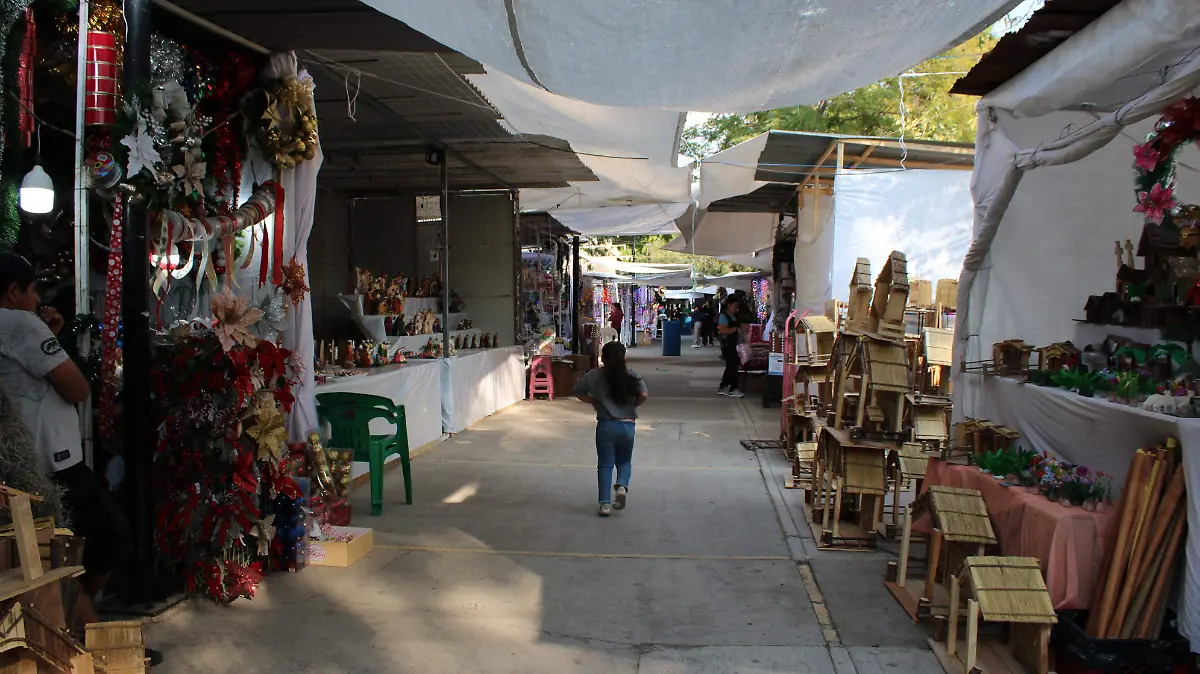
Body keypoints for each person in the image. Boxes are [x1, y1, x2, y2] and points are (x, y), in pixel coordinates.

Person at [0, 253, 162, 665]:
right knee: (107, 539)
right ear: (14, 292)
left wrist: (54, 336)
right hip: (53, 460)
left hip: (26, 463)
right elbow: (76, 388)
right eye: (34, 290)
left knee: (60, 556)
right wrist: (48, 337)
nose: (38, 299)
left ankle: (85, 636)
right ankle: (95, 646)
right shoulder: (19, 323)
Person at [573, 341, 648, 517]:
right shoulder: (632, 374)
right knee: (624, 461)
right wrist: (633, 406)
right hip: (628, 424)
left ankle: (604, 504)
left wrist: (594, 401)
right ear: (624, 357)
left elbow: (578, 391)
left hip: (606, 424)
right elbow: (643, 394)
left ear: (603, 358)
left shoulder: (593, 375)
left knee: (605, 465)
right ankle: (621, 486)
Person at [717, 297, 744, 397]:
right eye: (735, 306)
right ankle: (733, 388)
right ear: (729, 305)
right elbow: (722, 330)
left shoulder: (734, 316)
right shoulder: (723, 316)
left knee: (731, 366)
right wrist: (734, 329)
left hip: (735, 344)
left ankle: (723, 387)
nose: (737, 308)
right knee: (732, 366)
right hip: (728, 344)